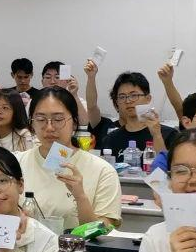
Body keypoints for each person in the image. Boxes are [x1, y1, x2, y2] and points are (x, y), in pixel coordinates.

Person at [16, 87, 121, 229]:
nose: (49, 127)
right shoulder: (16, 163)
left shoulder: (102, 170)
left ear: (75, 123)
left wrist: (80, 197)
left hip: (76, 243)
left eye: (58, 119)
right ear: (32, 124)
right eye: (40, 119)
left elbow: (105, 231)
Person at [98, 72, 177, 162]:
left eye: (134, 95)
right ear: (117, 102)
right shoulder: (110, 139)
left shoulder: (169, 134)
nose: (128, 101)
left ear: (148, 99)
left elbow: (168, 167)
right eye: (122, 97)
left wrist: (157, 135)